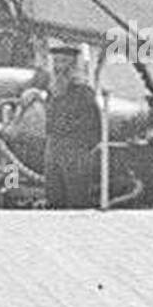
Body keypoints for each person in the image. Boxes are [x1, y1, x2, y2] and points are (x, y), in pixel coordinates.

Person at [43, 43, 101, 209]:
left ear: (72, 66)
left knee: (76, 201)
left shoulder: (84, 93)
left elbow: (93, 126)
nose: (59, 67)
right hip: (53, 150)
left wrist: (82, 151)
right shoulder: (52, 93)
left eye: (63, 62)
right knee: (53, 200)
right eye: (56, 62)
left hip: (75, 152)